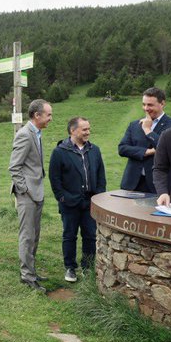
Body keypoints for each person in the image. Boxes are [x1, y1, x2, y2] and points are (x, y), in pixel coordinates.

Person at [48, 115, 105, 281]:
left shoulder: (94, 150)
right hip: (69, 203)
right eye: (84, 129)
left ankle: (87, 267)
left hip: (90, 202)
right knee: (69, 235)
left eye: (89, 128)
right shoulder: (60, 152)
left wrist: (98, 196)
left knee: (90, 235)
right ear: (73, 131)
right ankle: (70, 268)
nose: (88, 132)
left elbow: (101, 175)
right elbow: (55, 178)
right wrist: (62, 198)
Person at [9, 98, 52, 292]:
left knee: (35, 235)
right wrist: (24, 190)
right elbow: (14, 167)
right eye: (48, 114)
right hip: (27, 194)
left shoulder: (37, 133)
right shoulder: (25, 134)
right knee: (27, 236)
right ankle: (27, 277)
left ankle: (31, 271)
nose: (50, 118)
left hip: (37, 192)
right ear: (37, 115)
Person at [117, 87, 171, 192]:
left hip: (158, 185)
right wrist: (146, 152)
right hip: (132, 183)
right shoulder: (134, 125)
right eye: (144, 104)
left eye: (150, 105)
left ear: (162, 104)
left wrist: (147, 129)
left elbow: (168, 149)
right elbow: (122, 149)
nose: (146, 108)